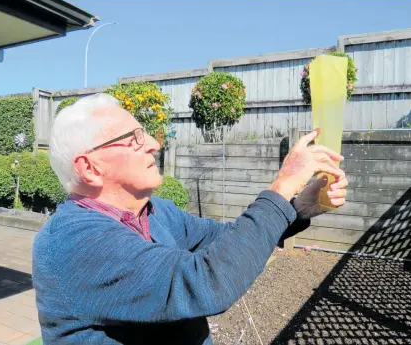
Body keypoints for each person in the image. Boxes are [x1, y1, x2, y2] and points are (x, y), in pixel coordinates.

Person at [32, 93, 348, 345]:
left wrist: (297, 207)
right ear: (90, 168)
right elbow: (205, 282)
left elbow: (224, 239)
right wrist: (282, 185)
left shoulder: (156, 211)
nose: (155, 145)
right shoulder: (74, 243)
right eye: (134, 139)